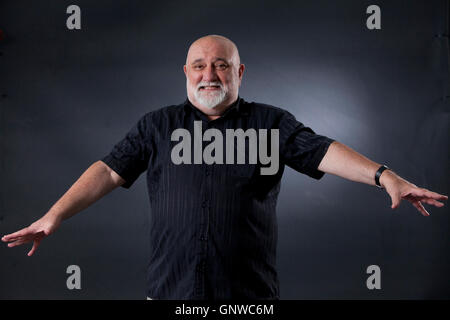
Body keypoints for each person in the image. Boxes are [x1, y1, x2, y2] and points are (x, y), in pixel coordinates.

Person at [2, 35, 447, 300]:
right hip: (171, 294)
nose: (209, 73)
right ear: (186, 72)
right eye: (199, 65)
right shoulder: (157, 126)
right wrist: (53, 215)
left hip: (249, 298)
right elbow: (107, 170)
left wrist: (385, 175)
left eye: (221, 65)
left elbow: (323, 152)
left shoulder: (271, 123)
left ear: (240, 72)